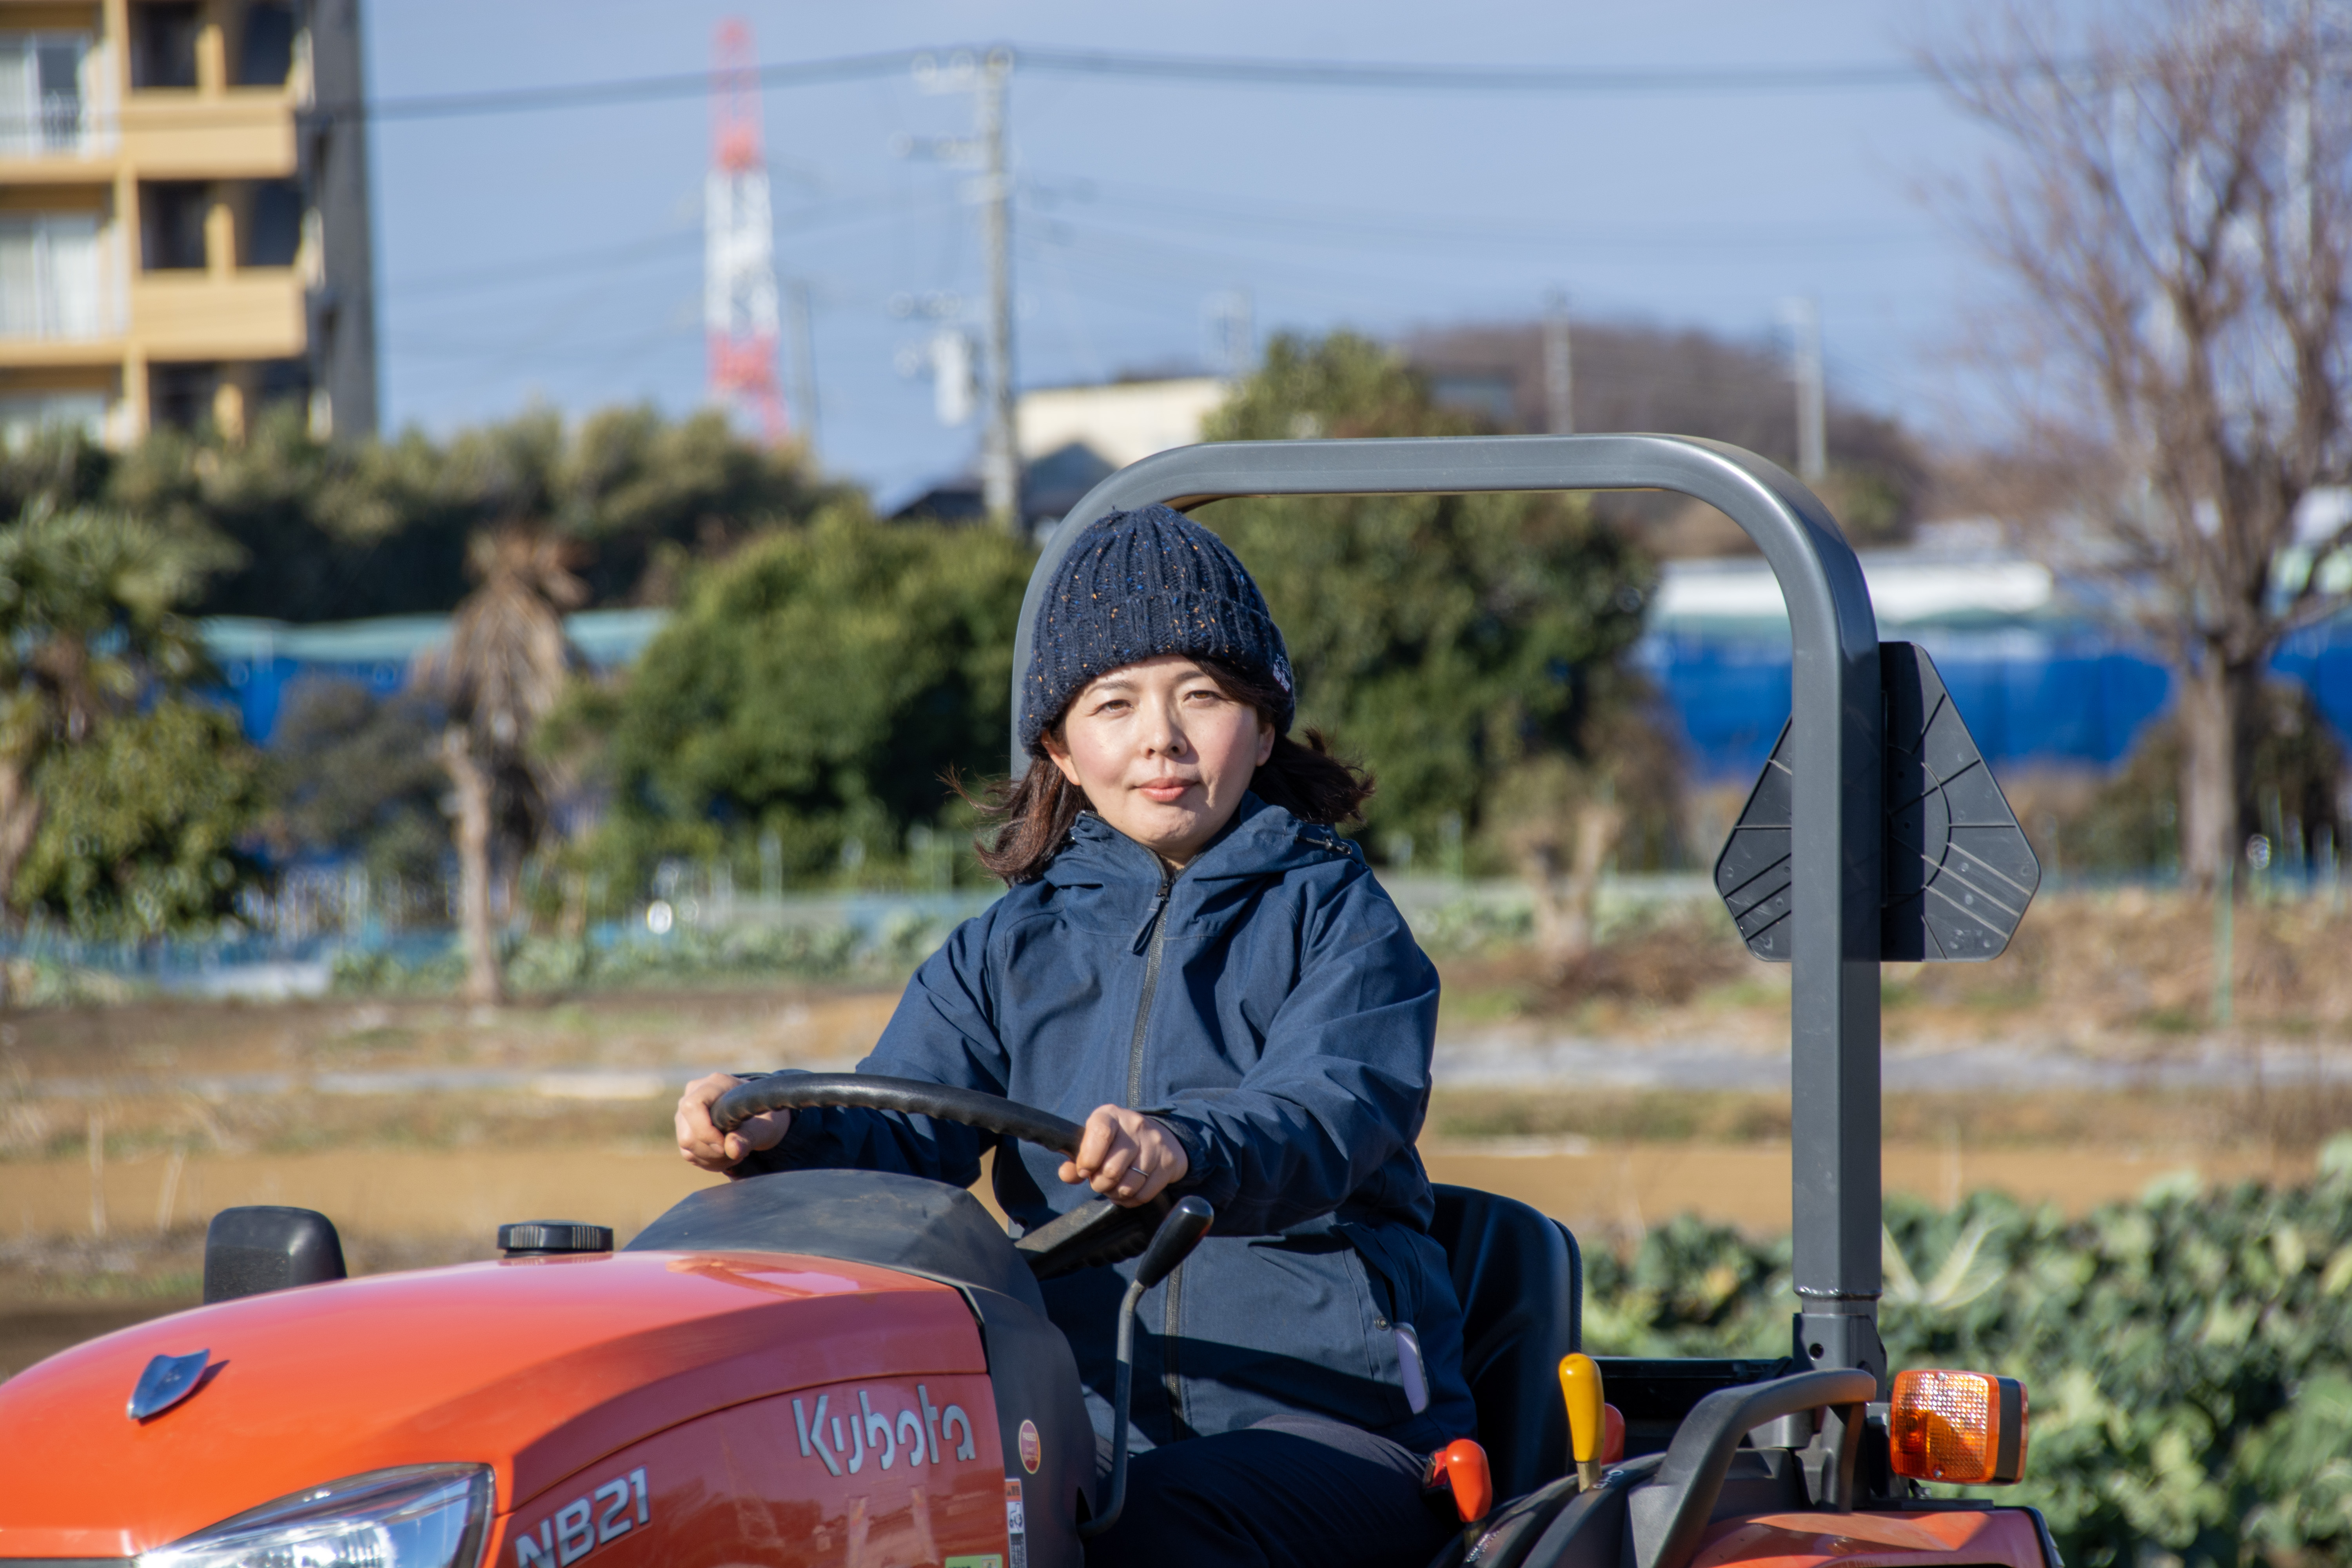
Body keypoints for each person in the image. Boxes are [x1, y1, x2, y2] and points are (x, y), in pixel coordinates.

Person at [675, 504, 1473, 1568]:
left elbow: (1334, 1107)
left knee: (1150, 1528)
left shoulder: (1338, 918)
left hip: (1335, 1425)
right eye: (1116, 703)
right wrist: (780, 1126)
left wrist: (1184, 1146)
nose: (1163, 737)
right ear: (1060, 741)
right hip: (1080, 1414)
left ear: (1267, 726)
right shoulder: (1007, 948)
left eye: (1205, 694)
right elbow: (900, 1129)